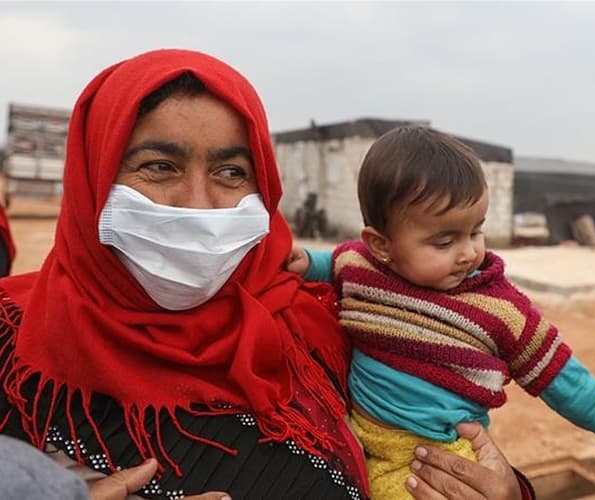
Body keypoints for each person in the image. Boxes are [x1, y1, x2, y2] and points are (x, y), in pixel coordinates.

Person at [0, 49, 530, 500]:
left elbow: (432, 444)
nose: (201, 205)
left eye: (232, 172)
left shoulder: (326, 320)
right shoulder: (12, 343)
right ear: (93, 174)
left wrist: (507, 490)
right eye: (159, 166)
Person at [287, 125, 595, 499]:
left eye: (476, 232)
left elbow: (562, 378)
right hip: (359, 439)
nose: (468, 253)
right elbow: (331, 263)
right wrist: (305, 262)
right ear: (381, 245)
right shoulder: (360, 266)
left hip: (435, 458)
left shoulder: (499, 309)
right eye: (445, 241)